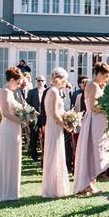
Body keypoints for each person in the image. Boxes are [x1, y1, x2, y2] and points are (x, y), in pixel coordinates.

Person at [73, 62, 109, 195]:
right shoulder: (94, 85)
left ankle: (89, 183)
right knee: (94, 151)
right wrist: (108, 109)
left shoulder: (94, 85)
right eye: (106, 76)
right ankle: (88, 184)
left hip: (97, 121)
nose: (106, 79)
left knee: (93, 151)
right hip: (94, 121)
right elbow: (93, 107)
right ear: (100, 74)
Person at [0, 67, 28, 201]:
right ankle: (5, 190)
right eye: (18, 83)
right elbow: (6, 113)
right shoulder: (5, 92)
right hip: (9, 127)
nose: (19, 86)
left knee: (14, 157)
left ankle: (12, 190)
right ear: (12, 80)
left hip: (14, 127)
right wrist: (22, 121)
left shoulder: (11, 93)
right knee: (8, 156)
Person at [41, 67, 70, 198]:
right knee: (54, 154)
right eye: (65, 79)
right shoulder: (52, 92)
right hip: (53, 126)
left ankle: (57, 187)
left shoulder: (55, 91)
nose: (66, 82)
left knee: (57, 154)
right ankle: (52, 188)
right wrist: (65, 125)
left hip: (55, 126)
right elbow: (53, 114)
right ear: (59, 79)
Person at [25, 75, 46, 161]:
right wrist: (33, 112)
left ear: (44, 82)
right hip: (35, 117)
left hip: (45, 117)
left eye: (42, 81)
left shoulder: (47, 91)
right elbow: (26, 105)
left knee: (45, 136)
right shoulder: (31, 92)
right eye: (39, 80)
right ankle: (34, 155)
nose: (40, 82)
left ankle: (44, 155)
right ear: (36, 81)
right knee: (34, 136)